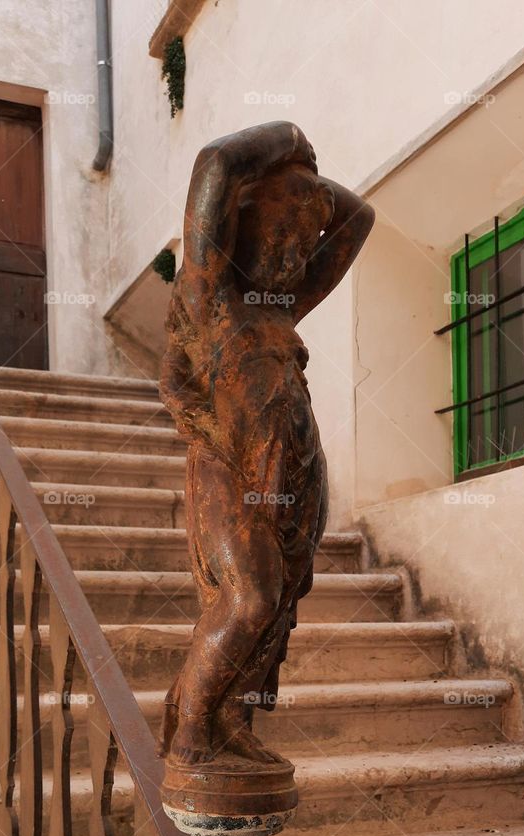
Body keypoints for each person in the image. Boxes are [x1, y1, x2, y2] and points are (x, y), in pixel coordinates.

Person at [160, 121, 375, 767]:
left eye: (302, 237)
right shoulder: (212, 298)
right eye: (279, 231)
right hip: (227, 462)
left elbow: (357, 216)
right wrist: (286, 137)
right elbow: (216, 163)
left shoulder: (280, 306)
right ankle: (191, 724)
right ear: (241, 225)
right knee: (249, 594)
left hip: (295, 470)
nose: (294, 249)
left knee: (277, 606)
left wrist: (301, 183)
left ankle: (232, 723)